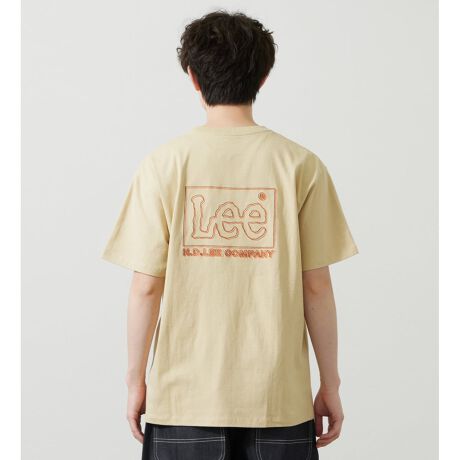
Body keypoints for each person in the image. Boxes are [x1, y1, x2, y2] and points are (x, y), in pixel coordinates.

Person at [101, 10, 359, 460]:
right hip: (278, 402)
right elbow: (317, 286)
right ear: (264, 76)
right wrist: (330, 384)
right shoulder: (300, 166)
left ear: (193, 78)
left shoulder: (163, 165)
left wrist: (135, 381)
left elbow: (146, 288)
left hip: (183, 401)